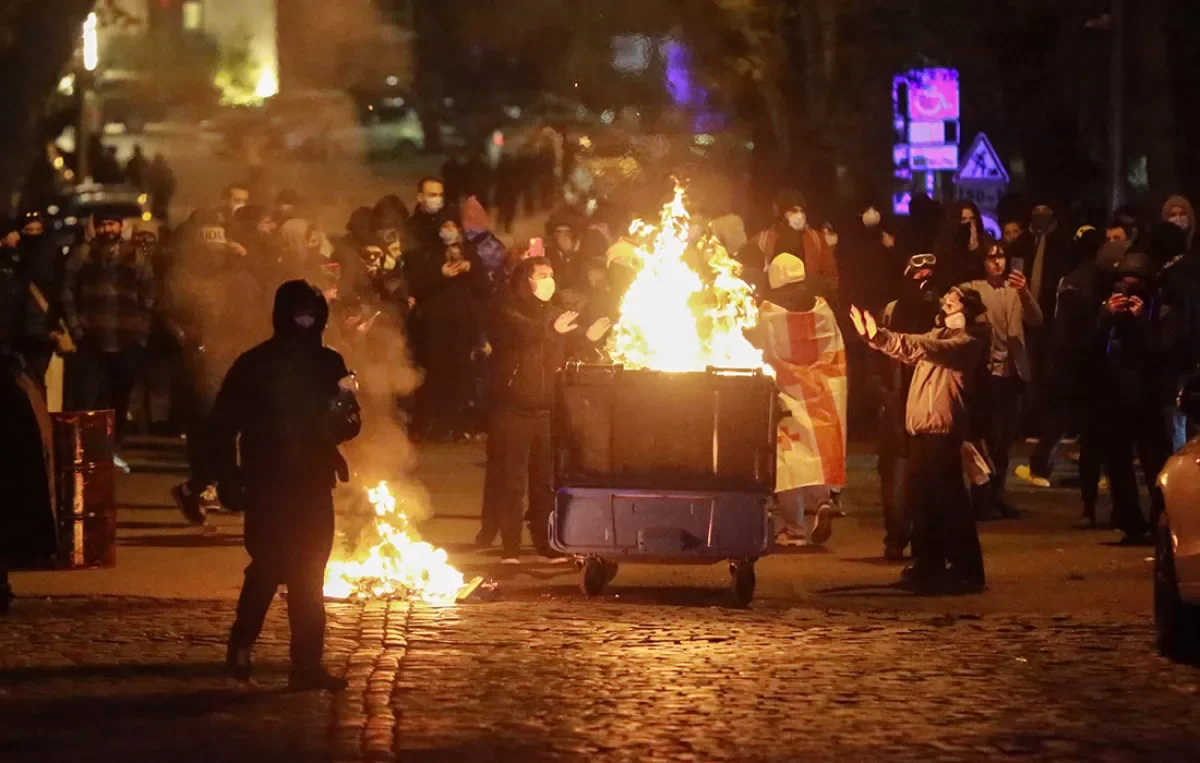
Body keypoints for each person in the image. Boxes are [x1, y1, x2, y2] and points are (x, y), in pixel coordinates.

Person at [211, 280, 360, 691]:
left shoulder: (329, 362)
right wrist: (225, 477)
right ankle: (242, 645)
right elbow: (223, 424)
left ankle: (307, 665)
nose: (306, 322)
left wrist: (344, 407)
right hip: (269, 482)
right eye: (300, 314)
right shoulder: (255, 363)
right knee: (269, 567)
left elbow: (348, 426)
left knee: (309, 575)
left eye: (312, 314)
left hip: (313, 483)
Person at [851, 285, 989, 592]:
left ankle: (968, 569)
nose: (945, 300)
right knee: (921, 502)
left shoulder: (968, 341)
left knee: (949, 502)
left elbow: (921, 347)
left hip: (943, 429)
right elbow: (909, 348)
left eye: (952, 299)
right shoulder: (939, 336)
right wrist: (875, 338)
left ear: (963, 309)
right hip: (923, 429)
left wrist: (884, 335)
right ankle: (929, 564)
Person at [485, 256, 610, 562]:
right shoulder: (507, 311)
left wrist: (587, 339)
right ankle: (510, 547)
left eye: (550, 274)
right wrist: (551, 328)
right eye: (541, 274)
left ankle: (544, 542)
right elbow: (526, 332)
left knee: (544, 483)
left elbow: (568, 343)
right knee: (512, 483)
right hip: (514, 410)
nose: (547, 280)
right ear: (525, 281)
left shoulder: (556, 316)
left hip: (546, 412)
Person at [167, 211, 266, 524]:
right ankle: (206, 487)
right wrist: (188, 341)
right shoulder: (184, 279)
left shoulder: (241, 279)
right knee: (209, 432)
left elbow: (257, 315)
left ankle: (214, 488)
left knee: (231, 432)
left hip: (233, 362)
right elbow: (168, 315)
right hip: (201, 368)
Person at [753, 254, 846, 547]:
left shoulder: (767, 314)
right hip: (822, 393)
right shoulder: (823, 309)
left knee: (787, 462)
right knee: (817, 453)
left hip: (786, 394)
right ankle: (822, 502)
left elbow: (760, 350)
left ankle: (794, 529)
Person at [61, 212, 155, 470]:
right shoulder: (83, 254)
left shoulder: (136, 255)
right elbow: (67, 291)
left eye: (111, 224)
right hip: (91, 339)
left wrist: (141, 334)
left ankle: (112, 449)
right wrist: (77, 329)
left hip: (127, 339)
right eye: (102, 225)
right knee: (88, 399)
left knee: (119, 398)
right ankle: (85, 452)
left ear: (121, 226)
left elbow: (148, 295)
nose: (106, 229)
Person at [1091, 250, 1172, 545]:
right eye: (1123, 285)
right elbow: (1090, 348)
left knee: (1155, 463)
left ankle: (1160, 521)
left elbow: (1161, 352)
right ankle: (1130, 523)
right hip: (1113, 397)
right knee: (1117, 464)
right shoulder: (1108, 309)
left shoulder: (1159, 311)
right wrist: (1105, 317)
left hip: (1147, 398)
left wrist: (1140, 322)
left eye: (1135, 285)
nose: (1128, 292)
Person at [960, 242, 1043, 518]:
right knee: (988, 438)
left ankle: (997, 495)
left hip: (1012, 373)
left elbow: (1036, 320)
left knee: (1005, 440)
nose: (997, 262)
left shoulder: (1015, 288)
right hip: (987, 374)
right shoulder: (973, 287)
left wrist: (1025, 293)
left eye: (1001, 257)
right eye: (991, 257)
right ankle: (981, 497)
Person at [873, 252, 945, 559]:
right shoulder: (890, 312)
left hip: (932, 402)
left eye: (929, 275)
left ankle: (927, 541)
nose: (924, 283)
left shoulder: (944, 312)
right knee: (897, 475)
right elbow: (874, 356)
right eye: (918, 277)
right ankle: (897, 536)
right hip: (898, 401)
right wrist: (882, 394)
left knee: (931, 477)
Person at [408, 218, 488, 440]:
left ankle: (458, 425)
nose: (449, 232)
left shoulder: (471, 254)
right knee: (437, 377)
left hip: (463, 327)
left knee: (461, 377)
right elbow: (418, 286)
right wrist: (440, 275)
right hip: (436, 327)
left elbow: (484, 287)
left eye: (453, 227)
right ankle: (436, 426)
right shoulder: (429, 255)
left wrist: (470, 269)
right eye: (445, 227)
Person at [741, 189, 839, 300]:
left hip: (808, 304)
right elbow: (747, 274)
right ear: (781, 213)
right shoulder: (763, 240)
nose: (800, 215)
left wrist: (814, 289)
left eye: (802, 210)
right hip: (773, 305)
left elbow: (831, 276)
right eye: (793, 210)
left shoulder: (816, 239)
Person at [16, 211, 65, 392]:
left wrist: (53, 324)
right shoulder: (15, 254)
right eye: (29, 230)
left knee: (34, 380)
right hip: (17, 330)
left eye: (38, 230)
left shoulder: (51, 253)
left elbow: (59, 290)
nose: (34, 234)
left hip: (42, 330)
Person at [934, 200, 992, 290]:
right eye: (964, 219)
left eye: (972, 219)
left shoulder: (986, 240)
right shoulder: (945, 245)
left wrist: (976, 250)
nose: (969, 223)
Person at [406, 177, 448, 259]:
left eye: (440, 195)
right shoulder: (410, 227)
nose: (438, 199)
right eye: (433, 195)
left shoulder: (449, 221)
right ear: (420, 197)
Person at [147, 153, 176, 223]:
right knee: (160, 210)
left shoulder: (155, 170)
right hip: (160, 194)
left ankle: (161, 224)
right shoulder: (164, 171)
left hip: (160, 194)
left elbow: (171, 182)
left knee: (159, 210)